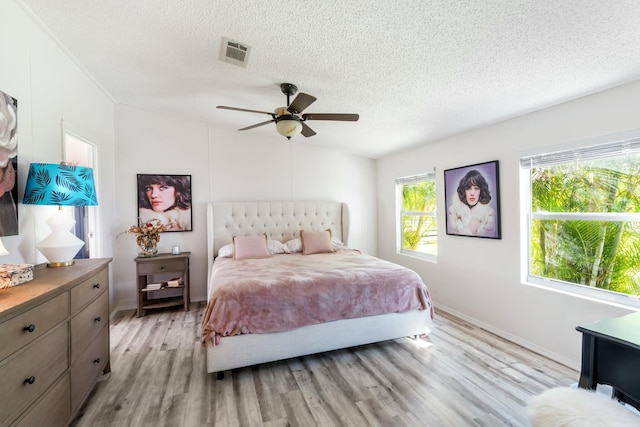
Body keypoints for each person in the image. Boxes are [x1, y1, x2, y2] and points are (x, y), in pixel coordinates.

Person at [447, 169, 497, 237]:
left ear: (481, 191)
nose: (472, 193)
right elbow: (451, 241)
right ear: (464, 191)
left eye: (476, 188)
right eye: (468, 188)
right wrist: (471, 229)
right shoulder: (452, 211)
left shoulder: (489, 214)